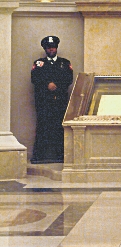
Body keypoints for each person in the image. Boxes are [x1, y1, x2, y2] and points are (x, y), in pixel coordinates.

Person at [31, 36, 73, 164]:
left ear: (56, 48)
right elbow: (35, 79)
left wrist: (57, 86)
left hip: (60, 101)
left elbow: (68, 79)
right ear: (45, 49)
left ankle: (61, 155)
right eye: (49, 47)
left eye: (53, 47)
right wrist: (47, 85)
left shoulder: (64, 63)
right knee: (43, 127)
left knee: (59, 128)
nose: (51, 49)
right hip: (44, 102)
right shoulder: (39, 63)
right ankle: (39, 156)